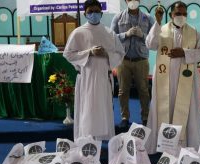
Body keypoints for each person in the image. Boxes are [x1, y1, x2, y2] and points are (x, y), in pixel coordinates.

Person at [145, 1, 200, 155]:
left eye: (184, 14)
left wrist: (185, 53)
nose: (182, 16)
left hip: (187, 80)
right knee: (165, 107)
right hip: (165, 79)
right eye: (178, 13)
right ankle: (162, 144)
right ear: (171, 14)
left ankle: (185, 147)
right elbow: (150, 45)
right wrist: (157, 22)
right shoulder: (162, 30)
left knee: (186, 110)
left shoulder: (193, 32)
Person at [63, 0, 125, 141]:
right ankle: (86, 141)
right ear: (85, 14)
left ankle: (103, 139)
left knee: (103, 110)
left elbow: (121, 53)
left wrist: (107, 55)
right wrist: (89, 53)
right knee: (87, 110)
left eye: (97, 11)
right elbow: (68, 54)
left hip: (103, 78)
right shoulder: (78, 33)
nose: (93, 14)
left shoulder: (109, 33)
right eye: (90, 11)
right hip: (86, 78)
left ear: (101, 13)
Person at [110, 0, 155, 128]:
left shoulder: (148, 18)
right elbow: (111, 37)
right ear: (126, 1)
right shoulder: (118, 17)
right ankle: (125, 117)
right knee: (123, 91)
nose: (132, 1)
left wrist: (143, 35)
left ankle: (145, 117)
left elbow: (154, 39)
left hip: (141, 60)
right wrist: (126, 34)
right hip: (123, 60)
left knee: (144, 90)